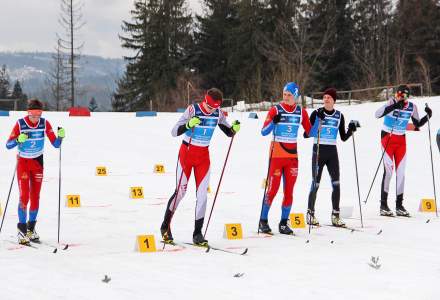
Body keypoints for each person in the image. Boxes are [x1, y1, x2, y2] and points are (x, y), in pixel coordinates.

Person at [160, 88, 240, 246]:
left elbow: (228, 132)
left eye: (215, 108)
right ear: (205, 100)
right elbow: (174, 132)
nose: (212, 111)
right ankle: (165, 227)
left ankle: (197, 233)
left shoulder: (218, 113)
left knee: (202, 195)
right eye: (210, 107)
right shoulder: (193, 110)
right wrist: (189, 124)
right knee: (181, 192)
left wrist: (234, 129)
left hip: (203, 157)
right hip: (187, 154)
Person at [6, 99, 65, 245]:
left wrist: (61, 136)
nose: (35, 118)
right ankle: (22, 230)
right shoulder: (21, 123)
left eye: (38, 114)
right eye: (32, 114)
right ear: (28, 112)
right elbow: (8, 145)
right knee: (24, 196)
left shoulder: (44, 123)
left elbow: (56, 145)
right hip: (23, 163)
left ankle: (31, 229)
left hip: (38, 163)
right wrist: (18, 140)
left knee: (35, 197)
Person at [259, 82, 311, 235]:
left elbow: (310, 132)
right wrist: (273, 122)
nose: (286, 97)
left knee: (289, 191)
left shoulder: (301, 112)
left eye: (289, 95)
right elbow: (263, 131)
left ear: (295, 96)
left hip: (292, 157)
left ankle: (283, 223)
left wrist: (318, 120)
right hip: (276, 155)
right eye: (284, 94)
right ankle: (263, 220)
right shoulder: (276, 109)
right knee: (272, 190)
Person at [375, 84, 432, 217]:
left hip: (401, 141)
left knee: (401, 172)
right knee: (389, 171)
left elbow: (417, 124)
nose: (399, 97)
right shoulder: (391, 102)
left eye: (402, 95)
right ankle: (383, 205)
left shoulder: (412, 107)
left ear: (407, 96)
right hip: (387, 138)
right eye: (398, 95)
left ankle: (399, 205)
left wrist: (428, 115)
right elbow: (377, 114)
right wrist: (394, 106)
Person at [305, 88, 358, 227]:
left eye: (329, 97)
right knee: (315, 183)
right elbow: (307, 134)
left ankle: (336, 215)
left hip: (332, 152)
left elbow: (343, 137)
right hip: (319, 150)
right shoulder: (317, 113)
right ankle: (310, 214)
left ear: (334, 100)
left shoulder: (339, 115)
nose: (326, 99)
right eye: (324, 97)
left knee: (336, 184)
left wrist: (351, 130)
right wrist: (317, 121)